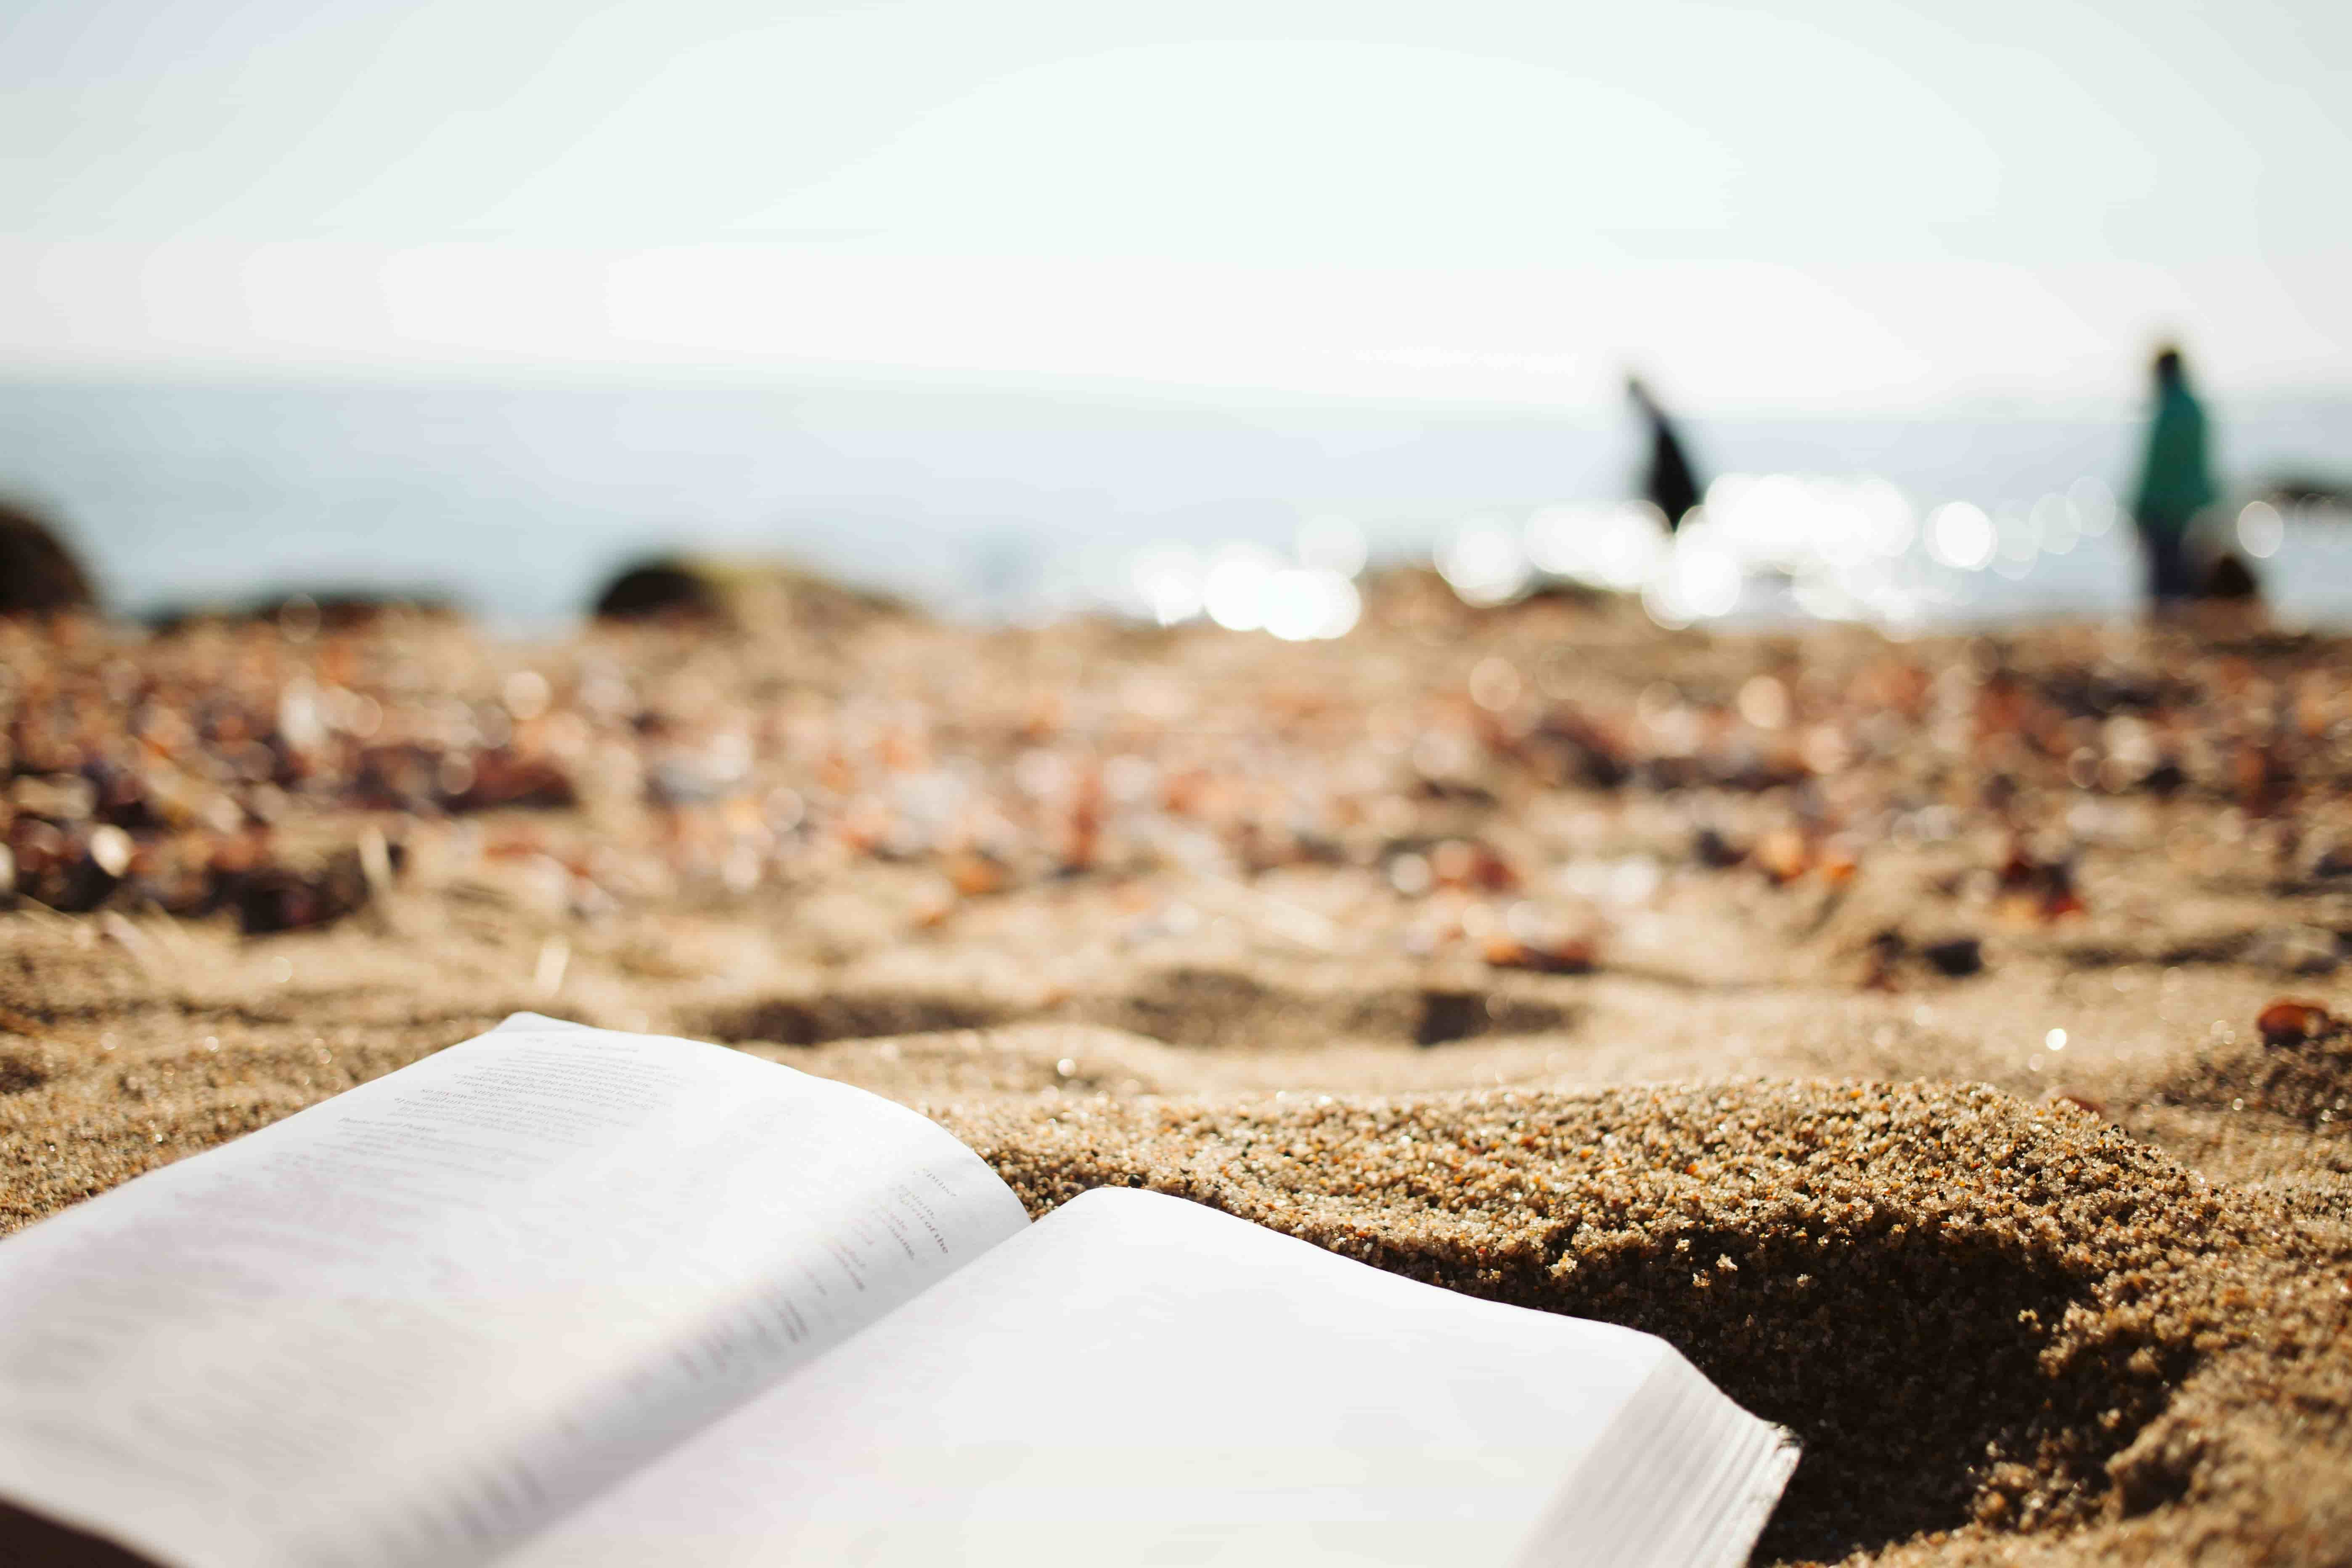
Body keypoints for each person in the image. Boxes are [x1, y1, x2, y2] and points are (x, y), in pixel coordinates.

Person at [2129, 345, 2220, 608]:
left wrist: (2141, 506)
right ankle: (2184, 627)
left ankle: (2168, 630)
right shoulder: (2195, 409)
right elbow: (2203, 462)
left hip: (2162, 506)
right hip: (2192, 505)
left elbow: (2155, 466)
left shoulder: (2166, 410)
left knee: (2163, 581)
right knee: (2184, 576)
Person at [1625, 375, 1703, 532]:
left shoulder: (1661, 427)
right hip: (1678, 501)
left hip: (1679, 501)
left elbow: (1669, 473)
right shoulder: (1659, 426)